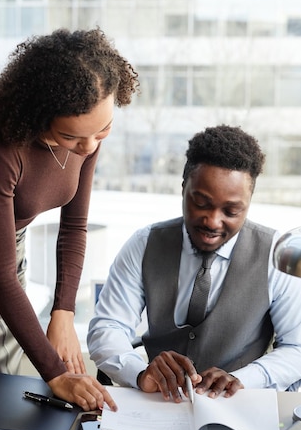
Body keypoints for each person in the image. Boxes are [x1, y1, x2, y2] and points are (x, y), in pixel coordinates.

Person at [0, 27, 139, 411]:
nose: (90, 146)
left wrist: (62, 311)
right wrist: (57, 373)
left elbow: (73, 227)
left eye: (104, 129)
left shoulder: (88, 135)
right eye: (72, 136)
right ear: (39, 114)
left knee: (31, 399)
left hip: (8, 267)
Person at [88, 125, 301, 402]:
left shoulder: (277, 255)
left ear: (249, 203)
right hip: (158, 406)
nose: (212, 221)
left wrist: (244, 378)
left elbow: (297, 348)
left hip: (240, 408)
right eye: (201, 203)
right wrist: (141, 373)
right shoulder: (144, 244)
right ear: (183, 188)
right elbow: (108, 327)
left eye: (231, 211)